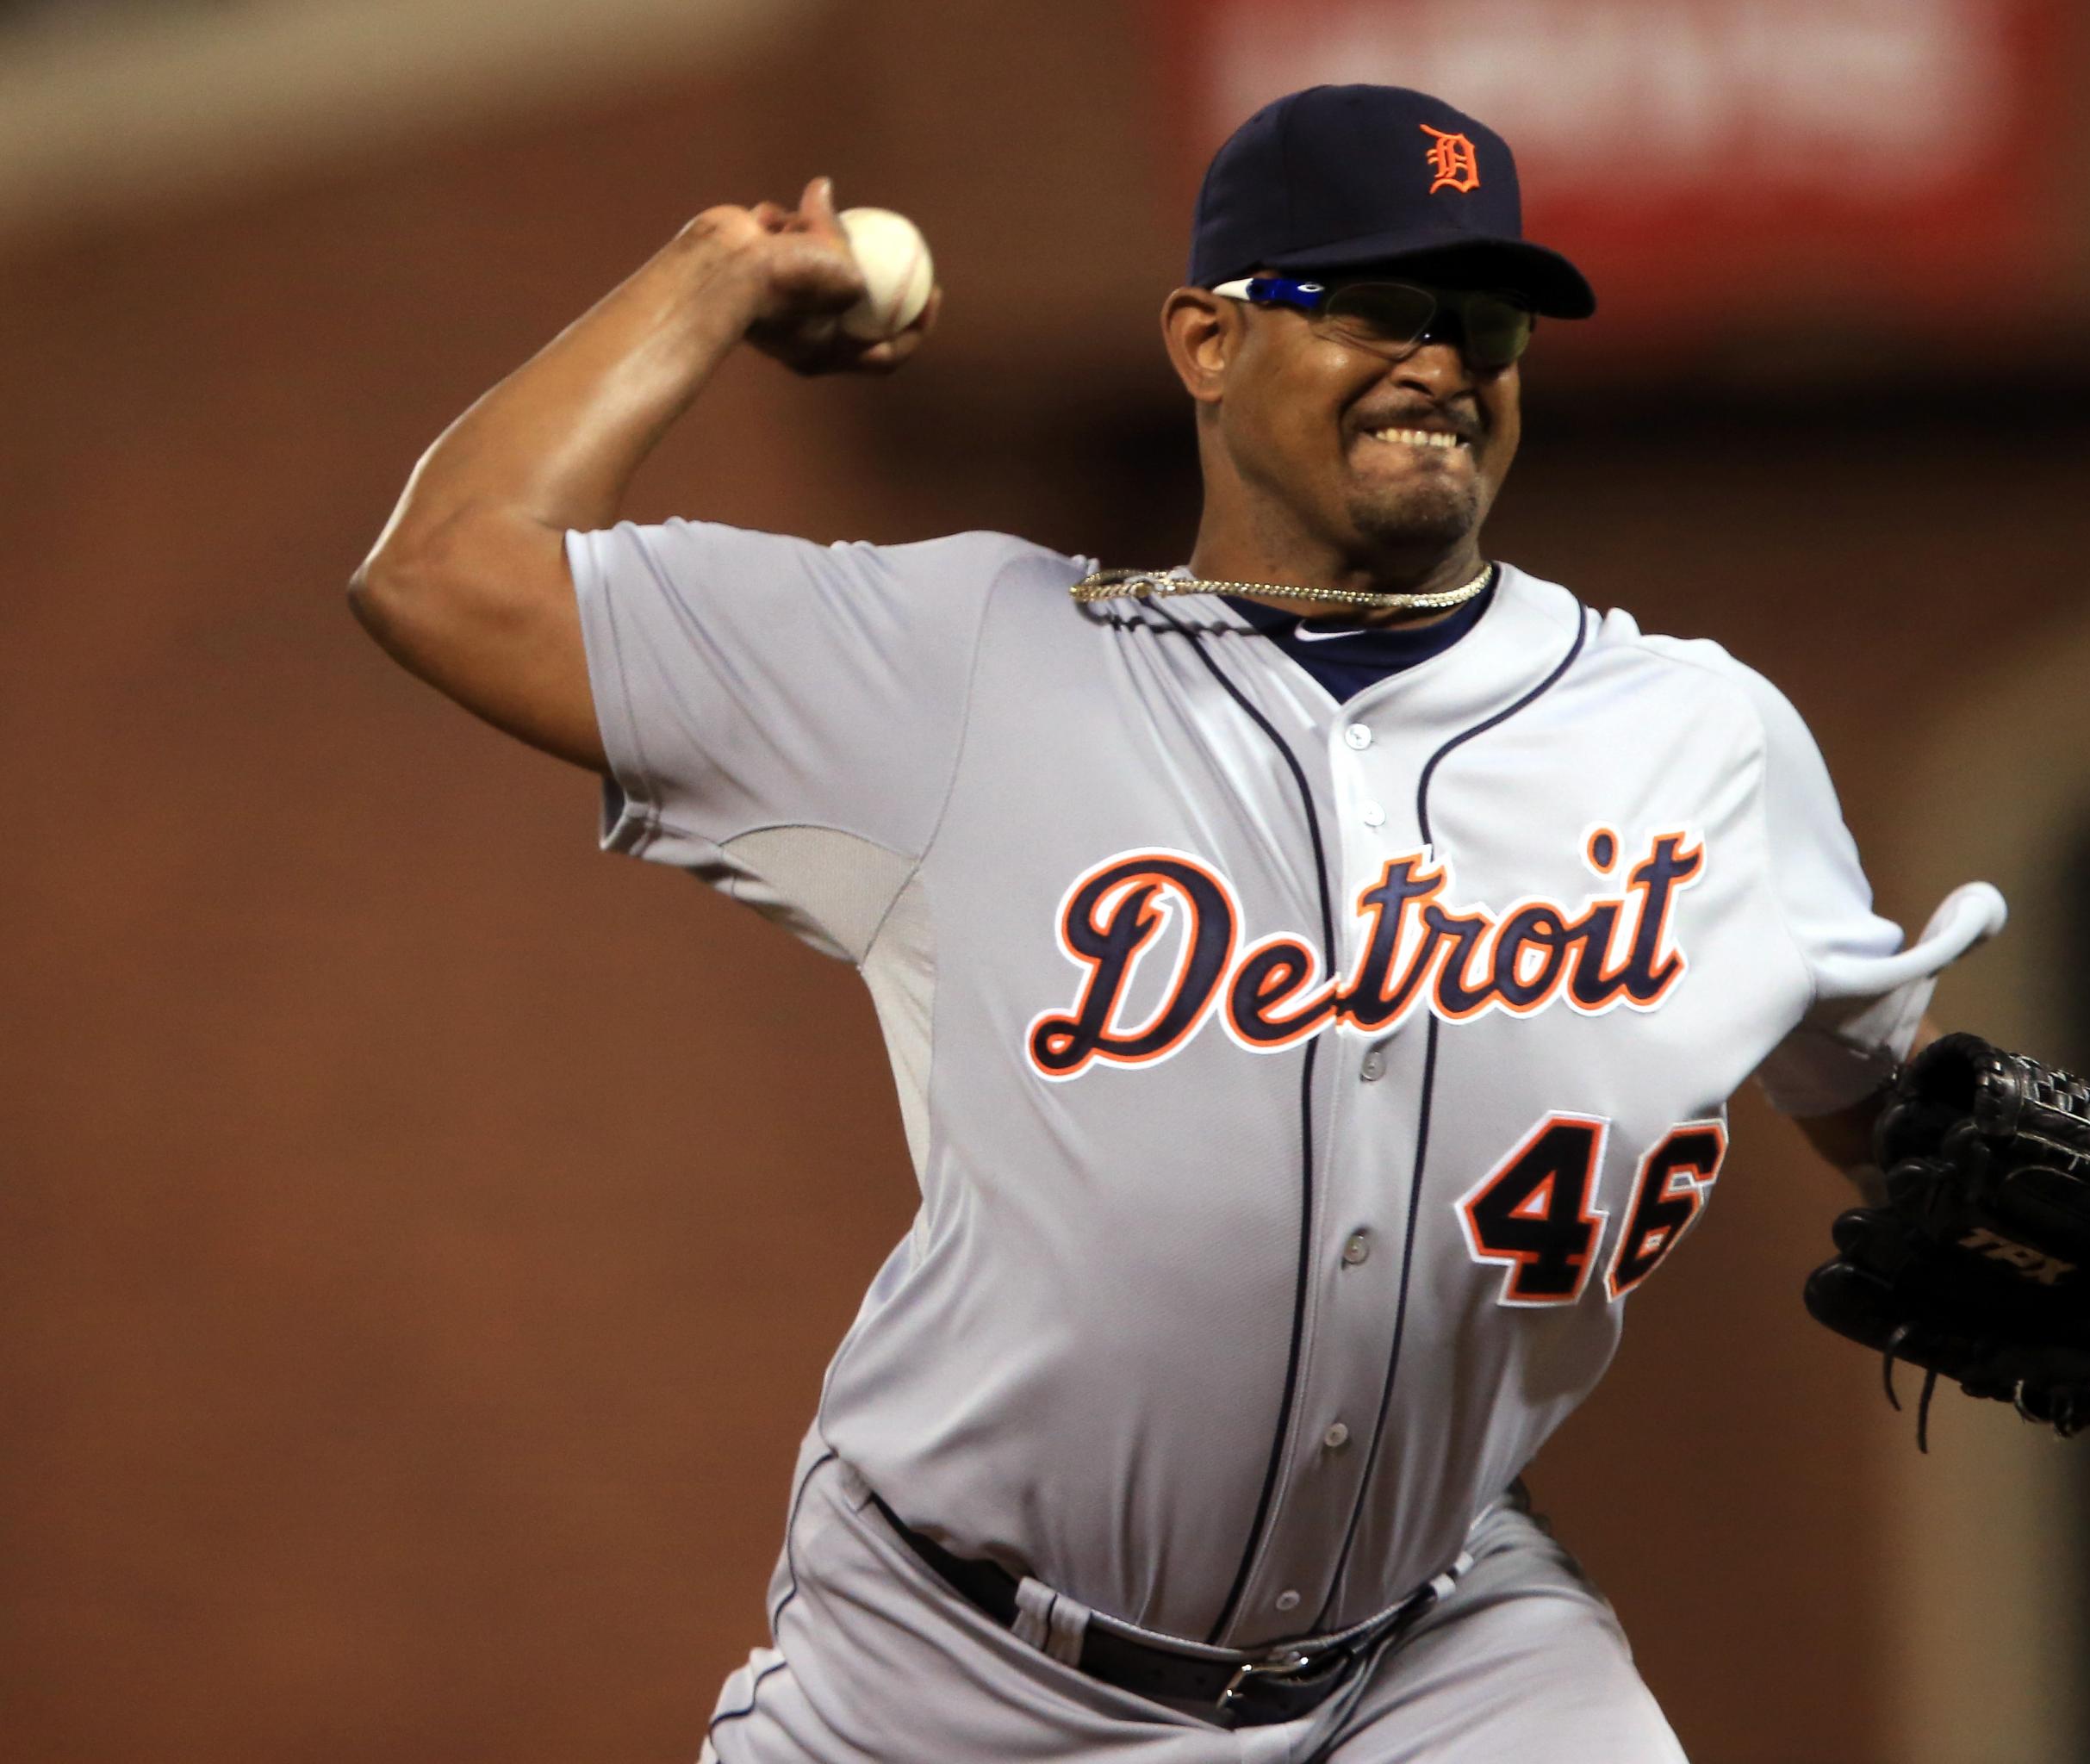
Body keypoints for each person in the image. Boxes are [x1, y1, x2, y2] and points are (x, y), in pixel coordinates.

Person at [351, 83, 2003, 1764]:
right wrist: (720, 275)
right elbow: (446, 571)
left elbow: (1877, 1085)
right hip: (954, 1675)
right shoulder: (967, 659)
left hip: (1435, 1658)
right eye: (1374, 304)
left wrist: (1995, 1196)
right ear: (1207, 342)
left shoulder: (1695, 736)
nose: (1441, 359)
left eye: (1484, 316)